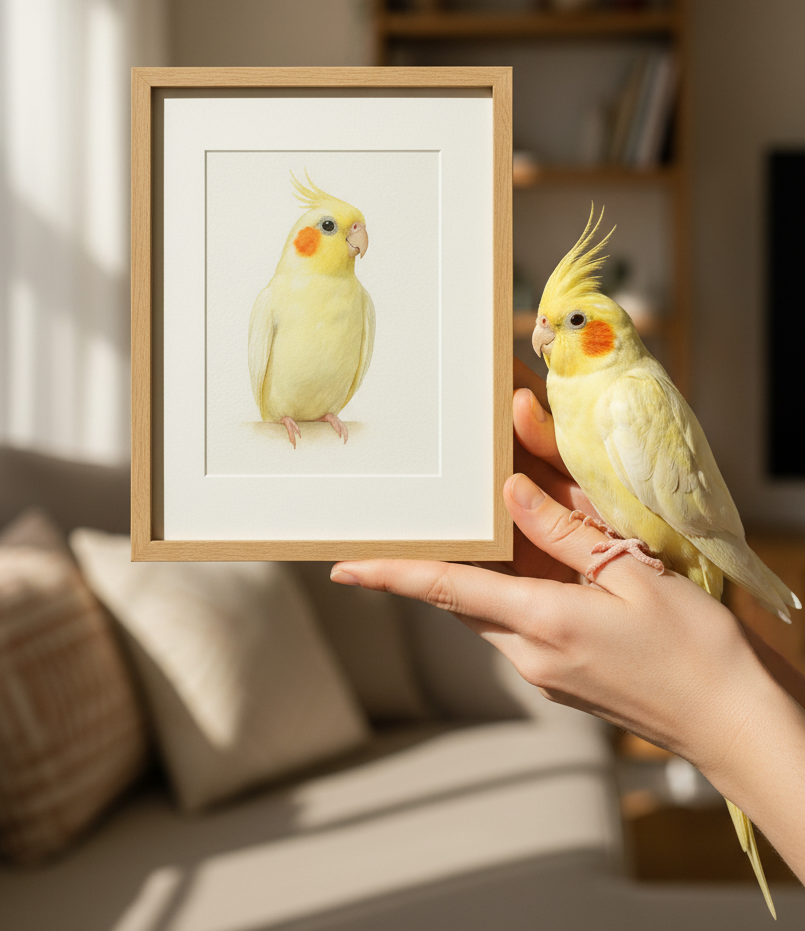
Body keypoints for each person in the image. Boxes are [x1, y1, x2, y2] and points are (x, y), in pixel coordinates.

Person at [331, 360, 805, 886]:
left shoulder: (630, 395)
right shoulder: (572, 396)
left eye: (574, 322)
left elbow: (684, 519)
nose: (546, 336)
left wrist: (716, 716)